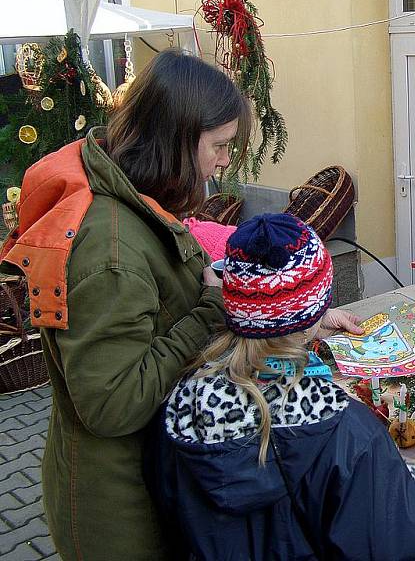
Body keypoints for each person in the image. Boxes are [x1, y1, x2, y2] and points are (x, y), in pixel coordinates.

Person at [0, 49, 362, 560]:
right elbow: (111, 402)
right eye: (218, 145)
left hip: (154, 479)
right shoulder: (110, 250)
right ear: (174, 138)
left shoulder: (138, 200)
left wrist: (301, 320)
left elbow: (183, 299)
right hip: (121, 513)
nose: (224, 160)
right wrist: (211, 312)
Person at [147, 213, 415, 560]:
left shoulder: (181, 405)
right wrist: (412, 482)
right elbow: (393, 542)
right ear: (315, 312)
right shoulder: (344, 430)